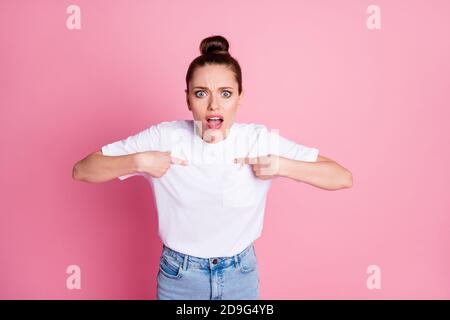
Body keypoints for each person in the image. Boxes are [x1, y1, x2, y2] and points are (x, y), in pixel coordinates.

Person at [72, 35, 353, 300]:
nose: (214, 104)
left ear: (241, 97)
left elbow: (342, 177)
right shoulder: (165, 137)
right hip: (179, 276)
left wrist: (281, 165)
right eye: (201, 93)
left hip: (240, 274)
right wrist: (138, 161)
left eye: (226, 93)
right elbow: (83, 169)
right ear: (187, 99)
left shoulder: (258, 139)